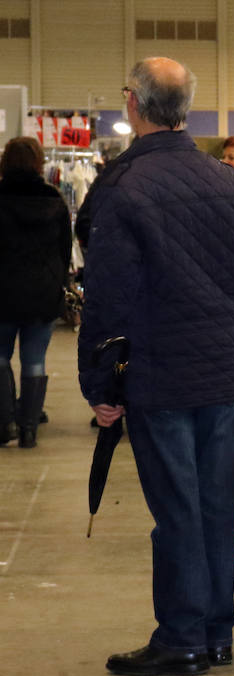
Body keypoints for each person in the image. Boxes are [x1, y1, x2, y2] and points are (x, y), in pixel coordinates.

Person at [78, 57, 234, 676]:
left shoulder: (121, 187)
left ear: (132, 101)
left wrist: (102, 384)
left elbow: (109, 297)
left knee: (179, 510)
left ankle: (182, 636)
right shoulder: (228, 181)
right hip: (219, 372)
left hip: (160, 374)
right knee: (215, 504)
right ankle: (216, 632)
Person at [0, 137, 72, 448]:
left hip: (2, 293)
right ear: (39, 163)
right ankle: (29, 429)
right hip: (43, 293)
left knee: (0, 358)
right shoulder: (54, 199)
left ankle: (4, 425)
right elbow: (65, 251)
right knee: (34, 361)